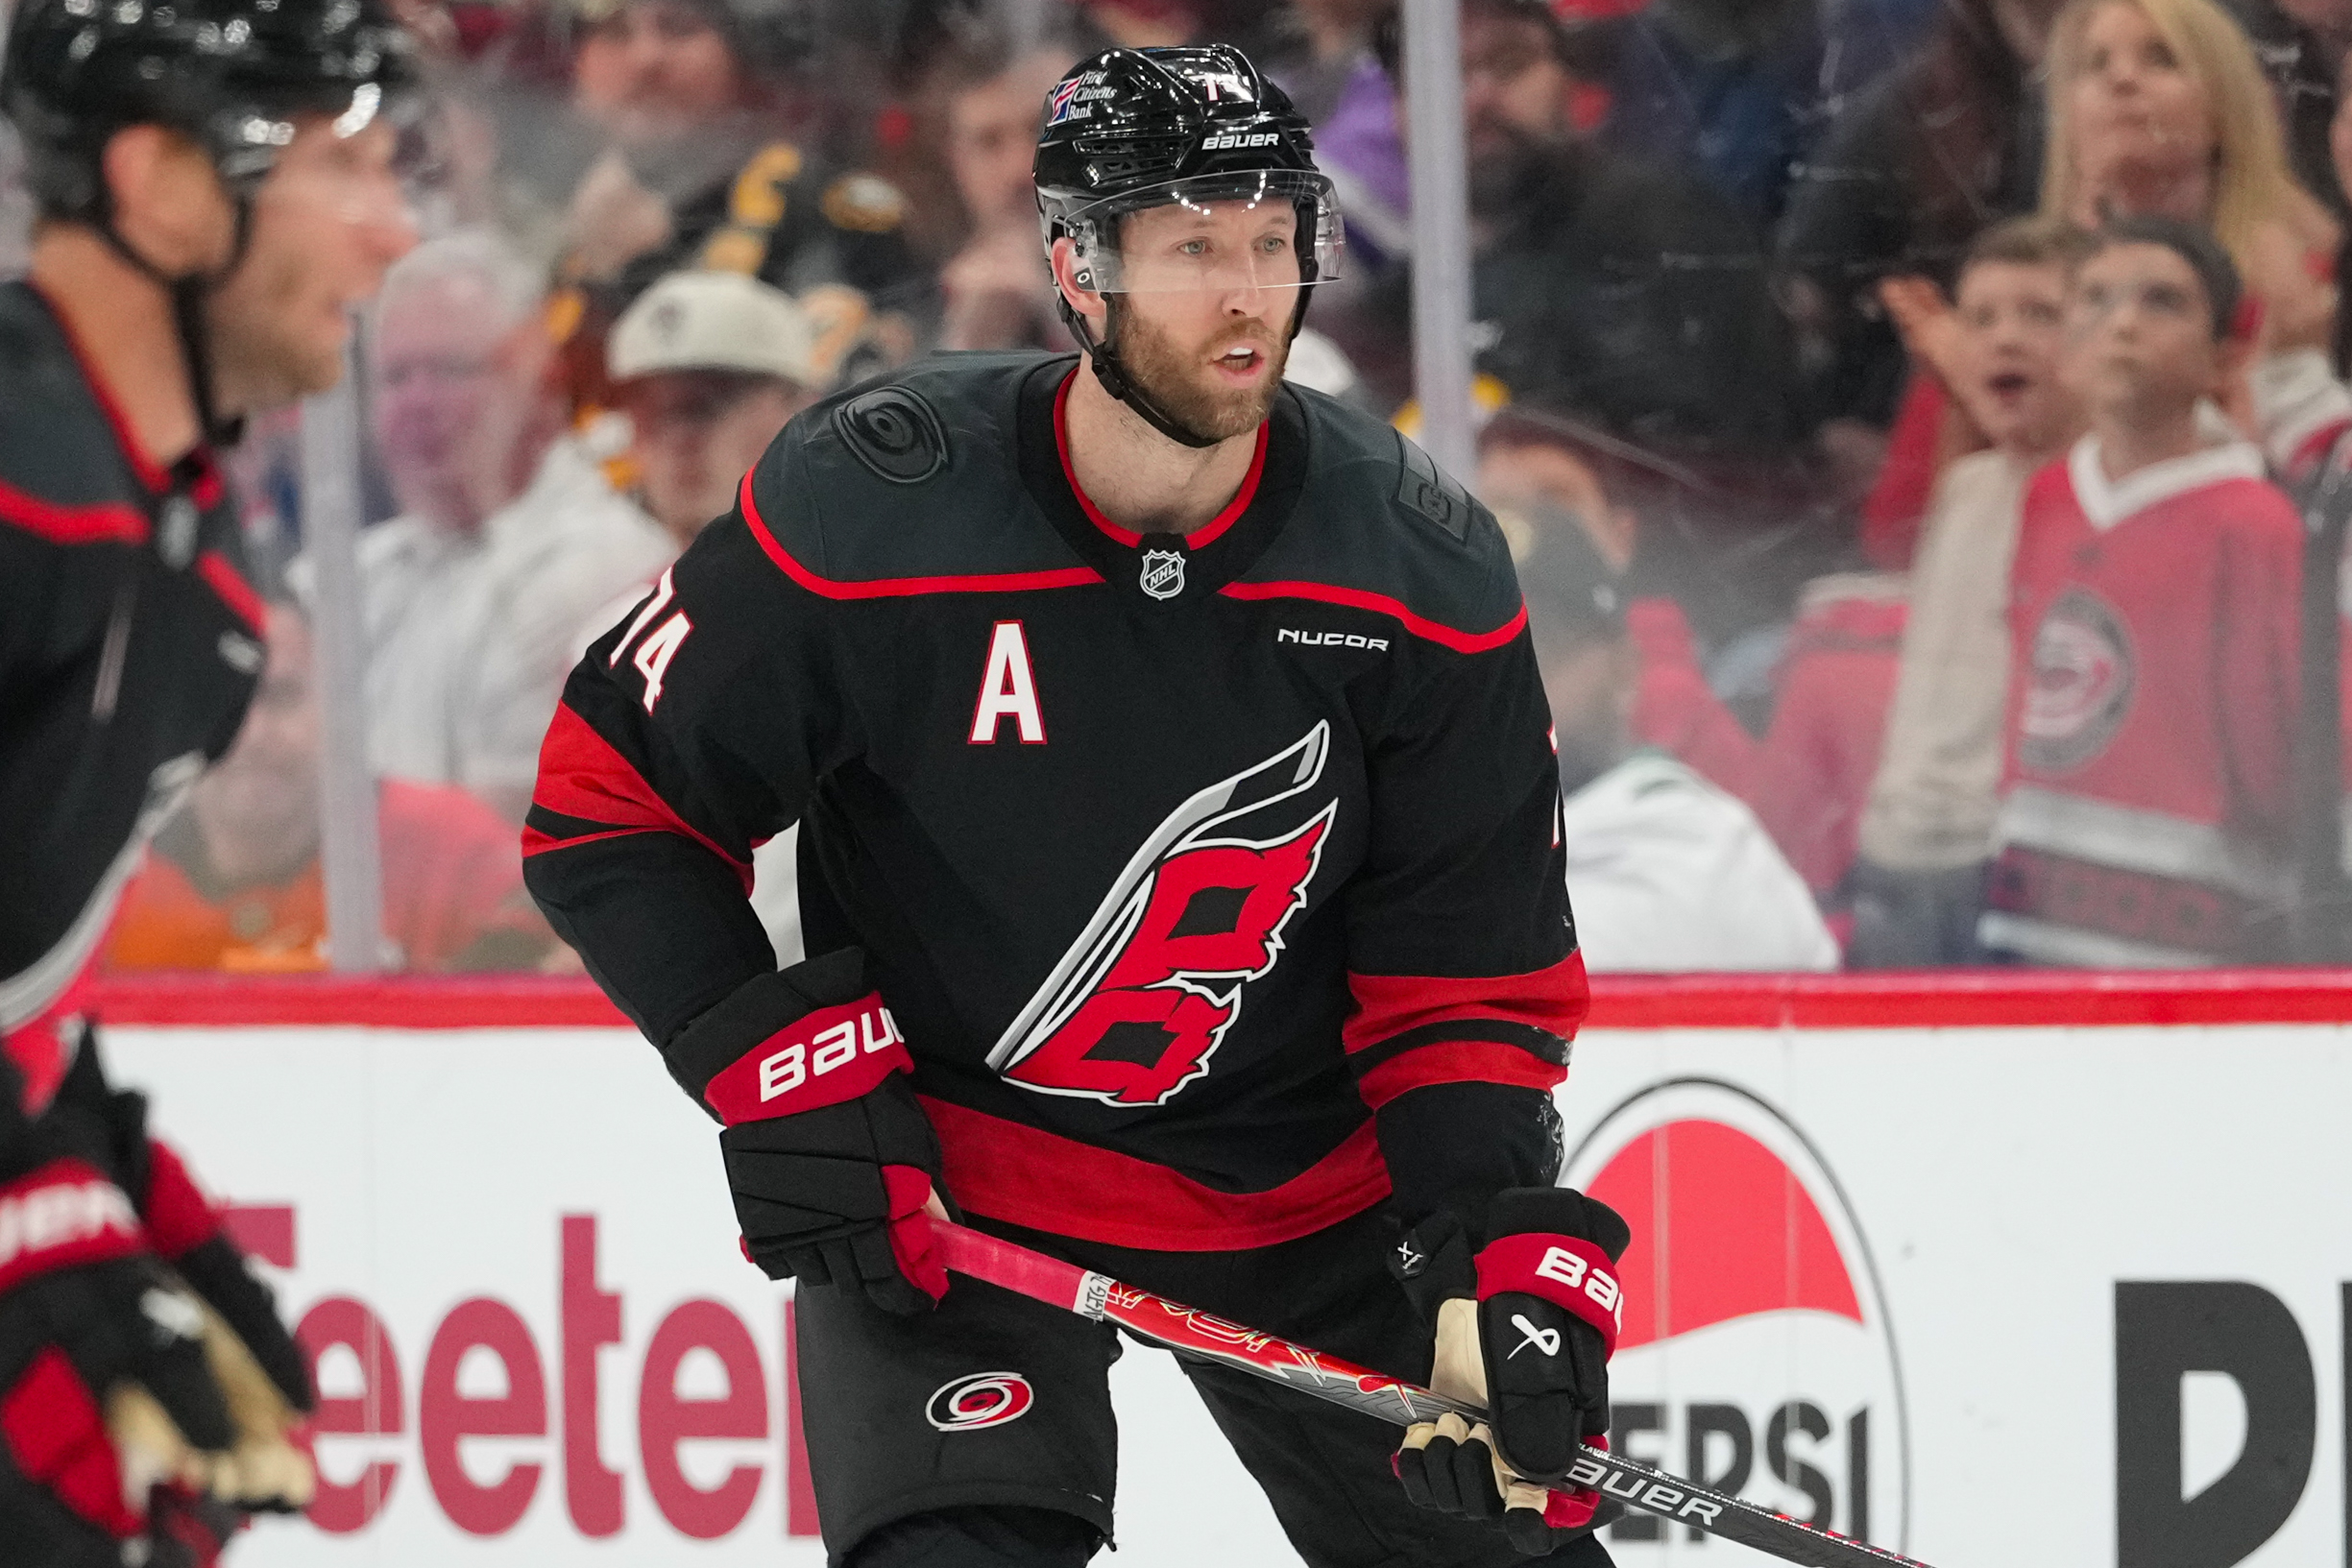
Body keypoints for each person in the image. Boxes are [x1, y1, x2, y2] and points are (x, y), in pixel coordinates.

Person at [525, 43, 1629, 1568]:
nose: (1247, 297)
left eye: (1272, 240)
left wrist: (1485, 1254)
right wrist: (774, 1070)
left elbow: (1468, 980)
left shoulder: (1414, 568)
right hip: (959, 1198)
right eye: (1192, 249)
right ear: (1077, 269)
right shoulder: (876, 510)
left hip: (1311, 1198)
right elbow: (608, 799)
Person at [0, 0, 416, 1559]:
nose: (392, 230)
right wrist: (38, 1228)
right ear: (162, 185)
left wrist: (112, 1177)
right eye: (344, 168)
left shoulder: (209, 588)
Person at [1982, 217, 2303, 964]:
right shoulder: (2048, 496)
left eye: (2161, 301)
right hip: (2026, 906)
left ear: (2224, 355)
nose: (2120, 323)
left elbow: (2275, 743)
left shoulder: (2255, 521)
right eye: (2094, 298)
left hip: (2191, 932)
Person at [1369, 0, 1806, 472]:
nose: (1479, 96)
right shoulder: (1402, 300)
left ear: (1569, 80)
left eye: (1510, 63)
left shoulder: (1668, 232)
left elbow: (1733, 465)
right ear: (1397, 114)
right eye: (1435, 76)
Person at [1482, 417, 1839, 972]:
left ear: (1626, 664)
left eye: (1543, 650)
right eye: (1459, 657)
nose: (1499, 689)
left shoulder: (1690, 852)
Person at [1851, 217, 2091, 967]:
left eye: (2039, 314)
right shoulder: (1966, 488)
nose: (2004, 338)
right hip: (1899, 846)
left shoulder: (2100, 502)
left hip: (2010, 859)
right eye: (1980, 319)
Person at [107, 603, 560, 975]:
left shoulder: (452, 850)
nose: (253, 733)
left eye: (283, 696)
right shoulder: (112, 883)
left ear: (342, 707)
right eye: (224, 702)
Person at [592, 267, 825, 963]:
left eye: (705, 405)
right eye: (651, 413)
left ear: (799, 409)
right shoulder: (607, 635)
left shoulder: (876, 605)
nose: (676, 438)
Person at [936, 44, 1079, 352]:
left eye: (1040, 131)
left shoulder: (1148, 279)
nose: (1019, 167)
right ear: (955, 160)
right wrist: (965, 343)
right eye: (988, 142)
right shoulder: (915, 303)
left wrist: (1053, 311)